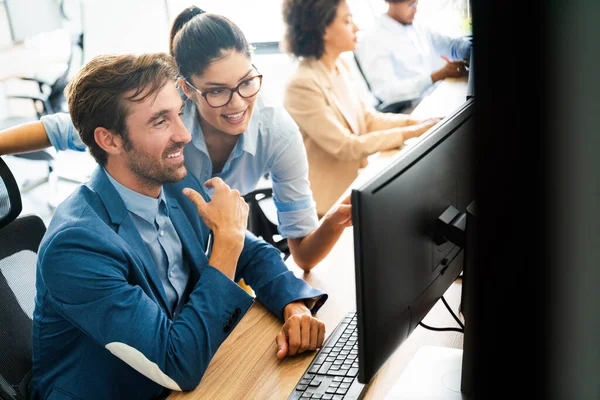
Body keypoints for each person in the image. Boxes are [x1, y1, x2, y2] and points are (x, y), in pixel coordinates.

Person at [31, 53, 328, 400]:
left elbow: (252, 253)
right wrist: (226, 244)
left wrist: (292, 305)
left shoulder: (173, 183)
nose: (185, 135)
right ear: (109, 140)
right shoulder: (77, 246)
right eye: (160, 121)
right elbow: (176, 364)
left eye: (178, 114)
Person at [0, 7, 350, 272]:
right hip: (148, 247)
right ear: (187, 89)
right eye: (217, 92)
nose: (239, 104)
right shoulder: (162, 118)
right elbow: (63, 129)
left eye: (246, 82)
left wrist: (335, 219)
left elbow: (302, 254)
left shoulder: (276, 133)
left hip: (208, 247)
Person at [281, 0, 441, 217]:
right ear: (323, 29)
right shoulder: (301, 84)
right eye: (347, 21)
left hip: (358, 184)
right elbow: (345, 146)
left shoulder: (340, 66)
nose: (356, 28)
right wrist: (411, 132)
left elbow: (367, 119)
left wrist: (415, 122)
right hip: (327, 205)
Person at [354, 0, 472, 109]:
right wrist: (435, 77)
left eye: (416, 4)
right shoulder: (374, 38)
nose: (415, 10)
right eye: (411, 5)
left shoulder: (417, 25)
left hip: (434, 96)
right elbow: (387, 92)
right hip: (411, 109)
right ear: (391, 2)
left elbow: (450, 45)